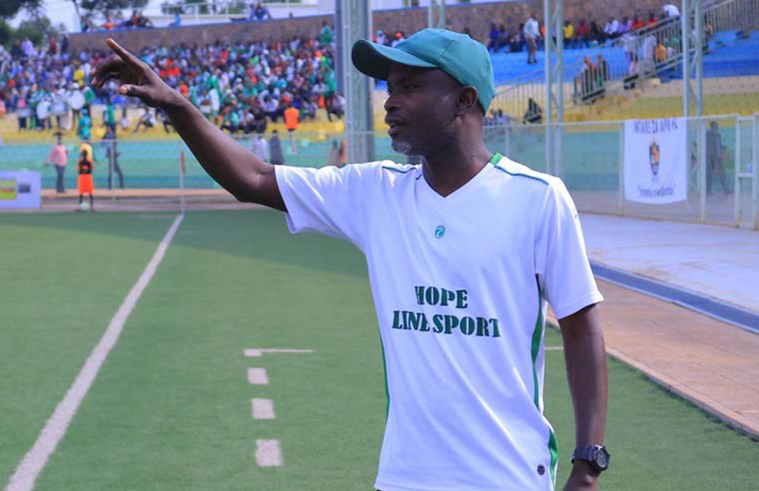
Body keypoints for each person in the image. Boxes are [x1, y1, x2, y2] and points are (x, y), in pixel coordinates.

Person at [91, 29, 609, 491]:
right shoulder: (375, 192)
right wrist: (177, 106)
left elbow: (582, 329)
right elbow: (250, 179)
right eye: (390, 87)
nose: (390, 102)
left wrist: (587, 467)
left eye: (409, 87)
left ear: (463, 99)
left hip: (508, 476)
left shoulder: (539, 198)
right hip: (405, 477)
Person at [706, 121, 731, 195]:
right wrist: (711, 158)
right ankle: (708, 191)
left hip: (718, 157)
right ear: (712, 126)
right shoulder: (708, 134)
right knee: (709, 174)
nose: (717, 127)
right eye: (716, 125)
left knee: (722, 173)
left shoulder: (718, 135)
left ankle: (726, 190)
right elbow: (709, 146)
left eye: (717, 126)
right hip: (711, 157)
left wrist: (723, 147)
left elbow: (718, 146)